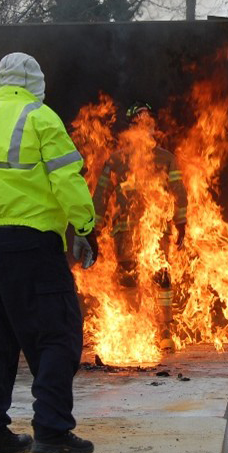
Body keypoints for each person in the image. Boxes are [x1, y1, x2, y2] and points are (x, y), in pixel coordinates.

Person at [0, 52, 100, 453]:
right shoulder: (41, 118)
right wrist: (83, 227)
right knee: (56, 333)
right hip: (30, 242)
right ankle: (52, 430)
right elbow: (66, 179)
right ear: (36, 85)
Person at [92, 102, 188, 353]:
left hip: (151, 230)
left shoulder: (163, 159)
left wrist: (180, 222)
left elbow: (179, 193)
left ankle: (160, 331)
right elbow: (101, 195)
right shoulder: (119, 160)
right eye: (140, 122)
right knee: (135, 278)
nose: (146, 126)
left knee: (156, 277)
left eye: (149, 121)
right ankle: (140, 330)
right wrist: (95, 227)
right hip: (130, 231)